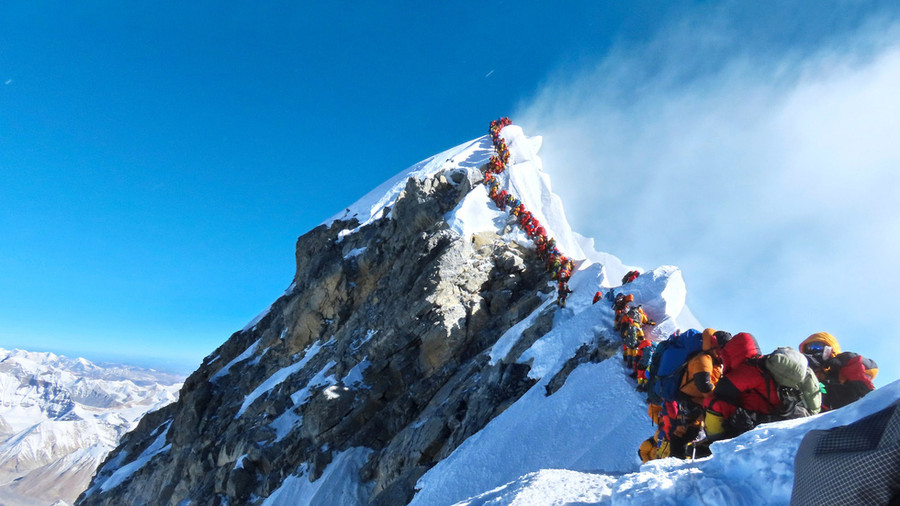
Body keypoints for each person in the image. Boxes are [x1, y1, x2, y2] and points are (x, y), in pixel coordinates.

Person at [703, 332, 781, 442]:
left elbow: (721, 390)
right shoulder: (757, 364)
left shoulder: (748, 368)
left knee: (712, 402)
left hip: (759, 418)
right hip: (763, 414)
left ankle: (712, 444)